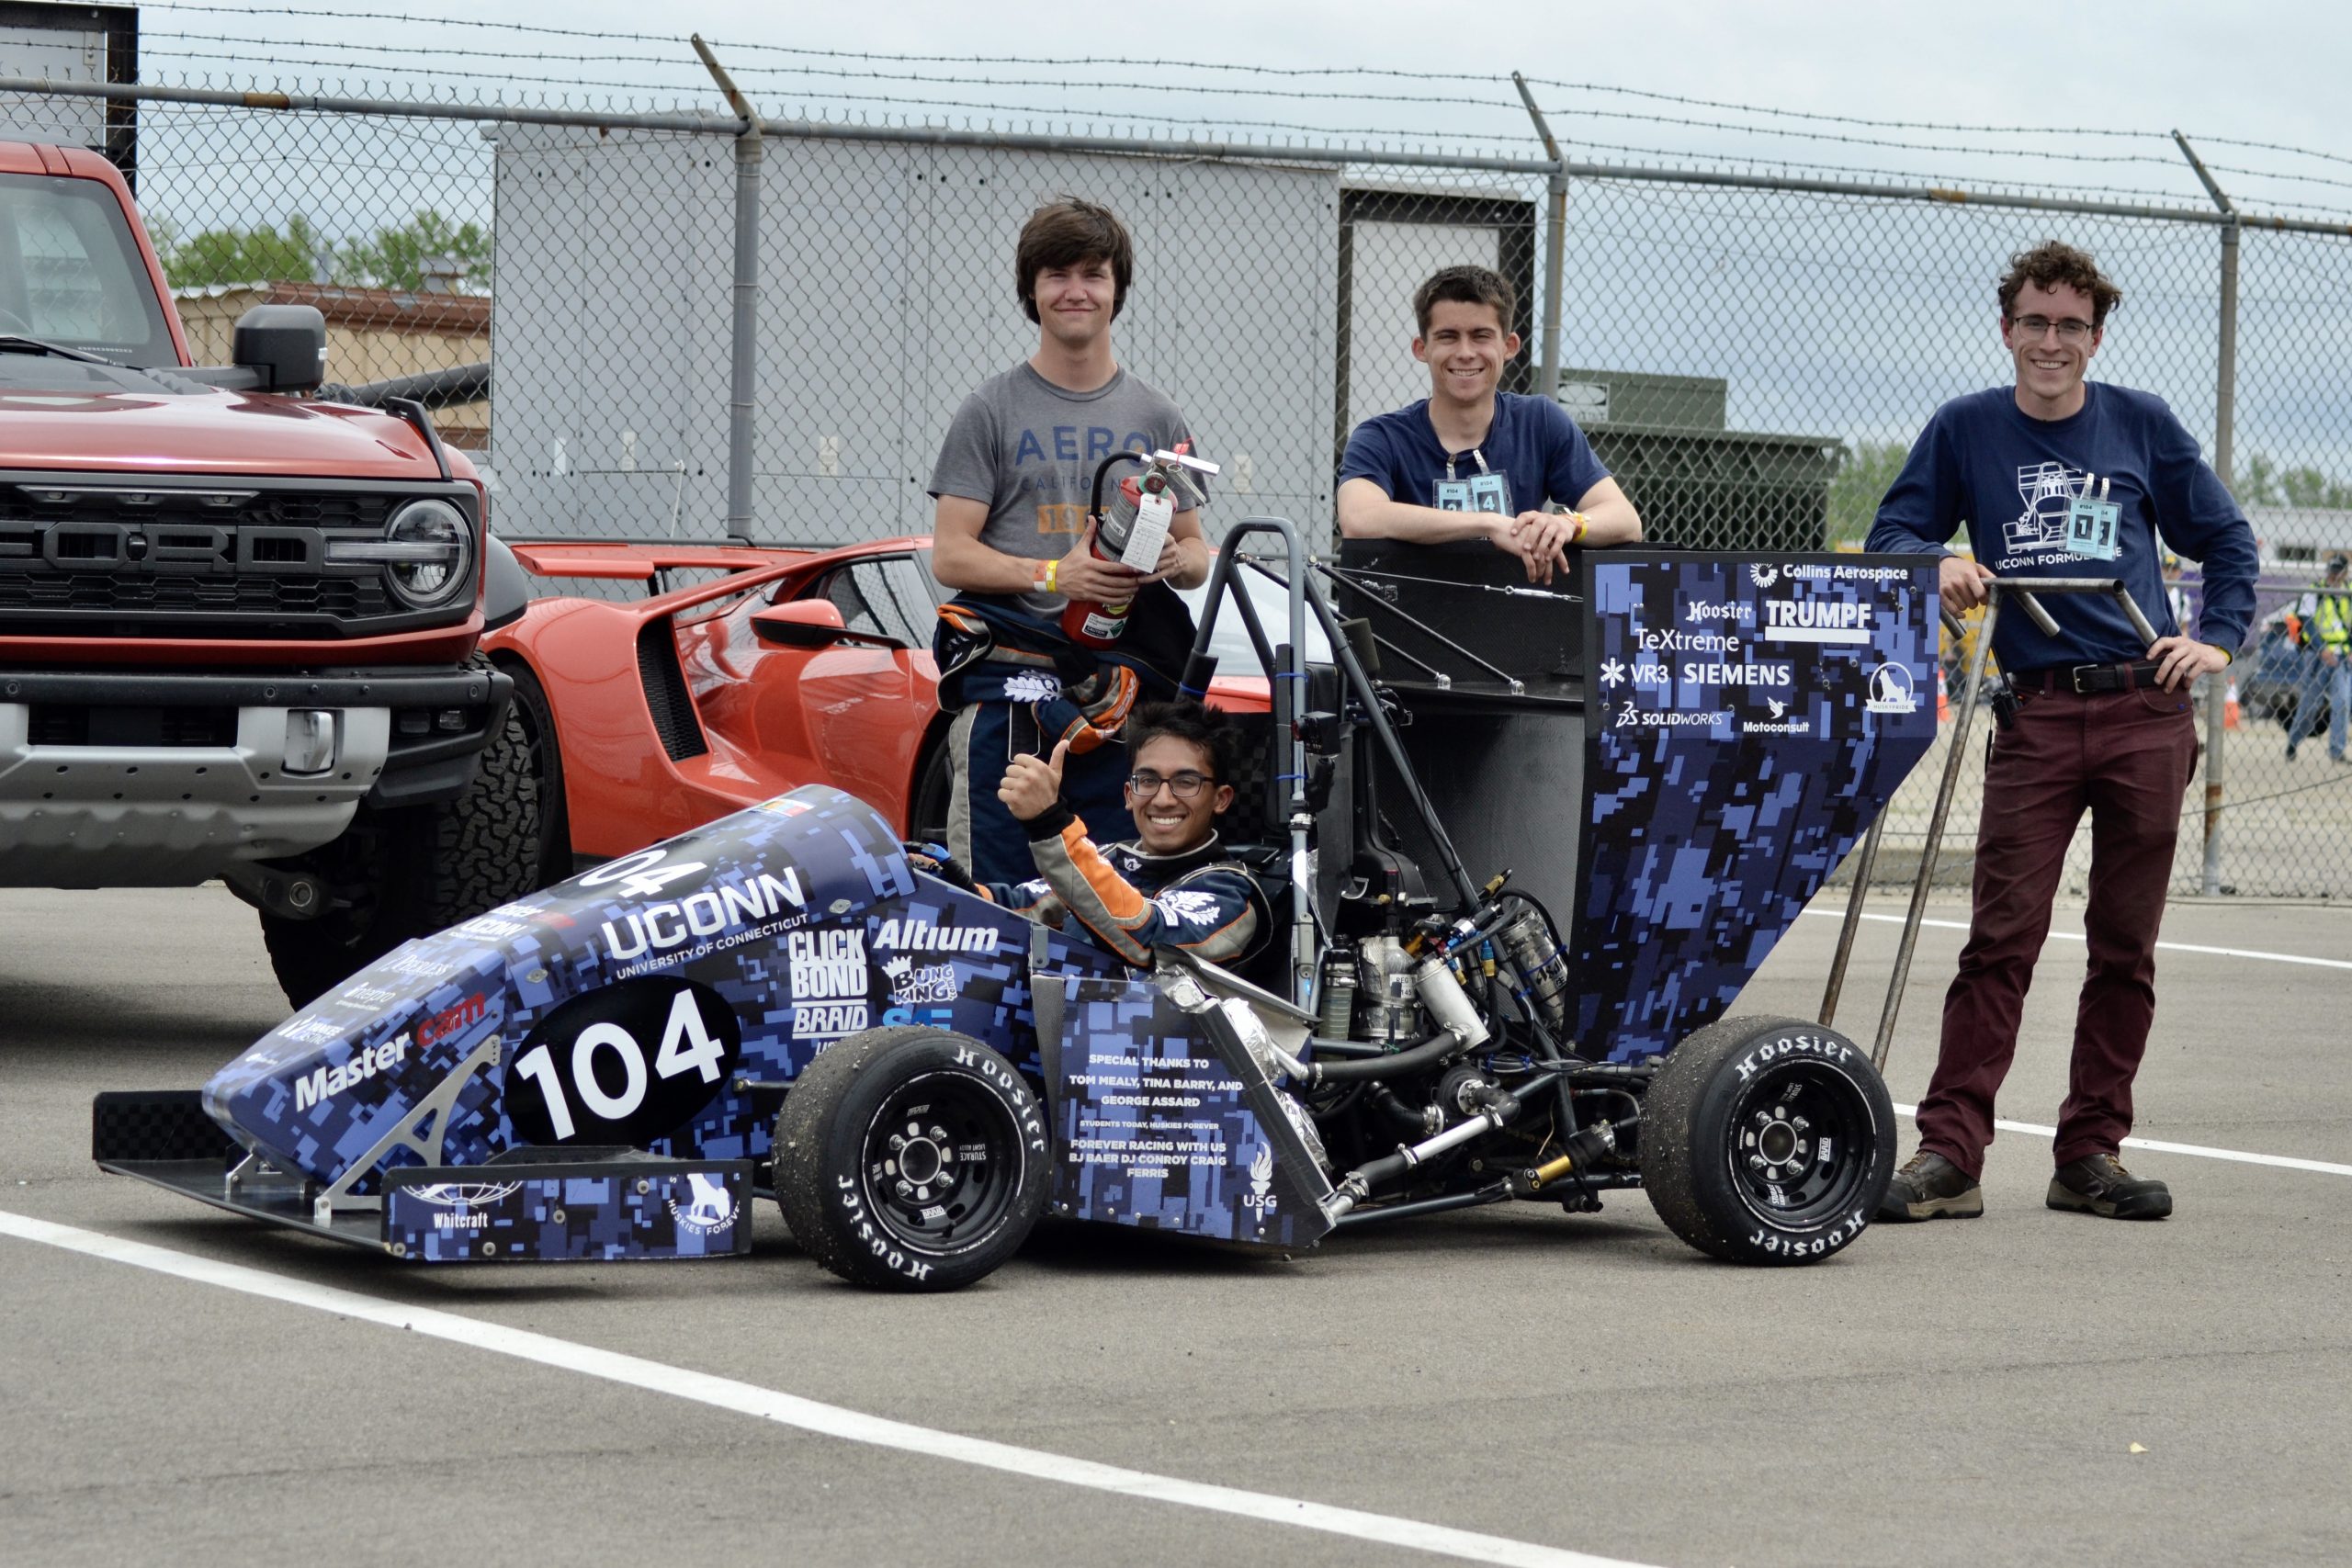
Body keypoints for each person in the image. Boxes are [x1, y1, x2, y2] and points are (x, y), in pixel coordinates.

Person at [1867, 240, 2259, 1224]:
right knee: (2000, 938)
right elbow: (1892, 533)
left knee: (2122, 946)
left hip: (2142, 708)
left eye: (2070, 326)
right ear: (2007, 330)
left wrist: (2212, 640)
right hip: (2036, 711)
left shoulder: (2139, 424)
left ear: (2093, 337)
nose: (2051, 341)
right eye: (2034, 323)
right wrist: (1937, 560)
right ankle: (1951, 1153)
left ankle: (2091, 1152)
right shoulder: (1964, 429)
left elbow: (2226, 537)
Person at [927, 198, 1210, 886]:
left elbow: (1199, 554)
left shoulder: (1154, 412)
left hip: (1121, 693)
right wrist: (1058, 575)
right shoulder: (990, 407)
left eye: (1093, 273)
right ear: (1032, 289)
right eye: (1056, 274)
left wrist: (1176, 560)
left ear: (1118, 290)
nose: (1075, 290)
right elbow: (951, 556)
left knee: (1116, 892)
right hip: (1010, 690)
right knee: (996, 899)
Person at [1336, 264, 1641, 584]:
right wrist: (1488, 524)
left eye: (1480, 336)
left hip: (1516, 622)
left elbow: (1625, 519)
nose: (1465, 353)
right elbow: (1359, 517)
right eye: (1448, 337)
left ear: (1508, 346)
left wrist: (1569, 524)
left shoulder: (1540, 421)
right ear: (1421, 348)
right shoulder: (1381, 437)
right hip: (1409, 624)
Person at [912, 700, 1268, 972]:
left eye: (1185, 782)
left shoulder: (1229, 891)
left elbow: (1143, 933)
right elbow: (1020, 907)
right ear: (1129, 795)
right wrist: (936, 878)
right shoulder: (1110, 858)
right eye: (1147, 780)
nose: (1162, 799)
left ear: (1220, 799)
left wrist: (1050, 823)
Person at [2285, 551, 2349, 764]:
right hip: (2318, 656)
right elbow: (2308, 623)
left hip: (2342, 655)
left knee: (2342, 702)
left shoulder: (2349, 591)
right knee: (2310, 705)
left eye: (2338, 572)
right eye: (2331, 572)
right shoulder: (2315, 591)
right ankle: (2293, 742)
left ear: (2345, 573)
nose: (2334, 577)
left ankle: (2336, 750)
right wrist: (2322, 648)